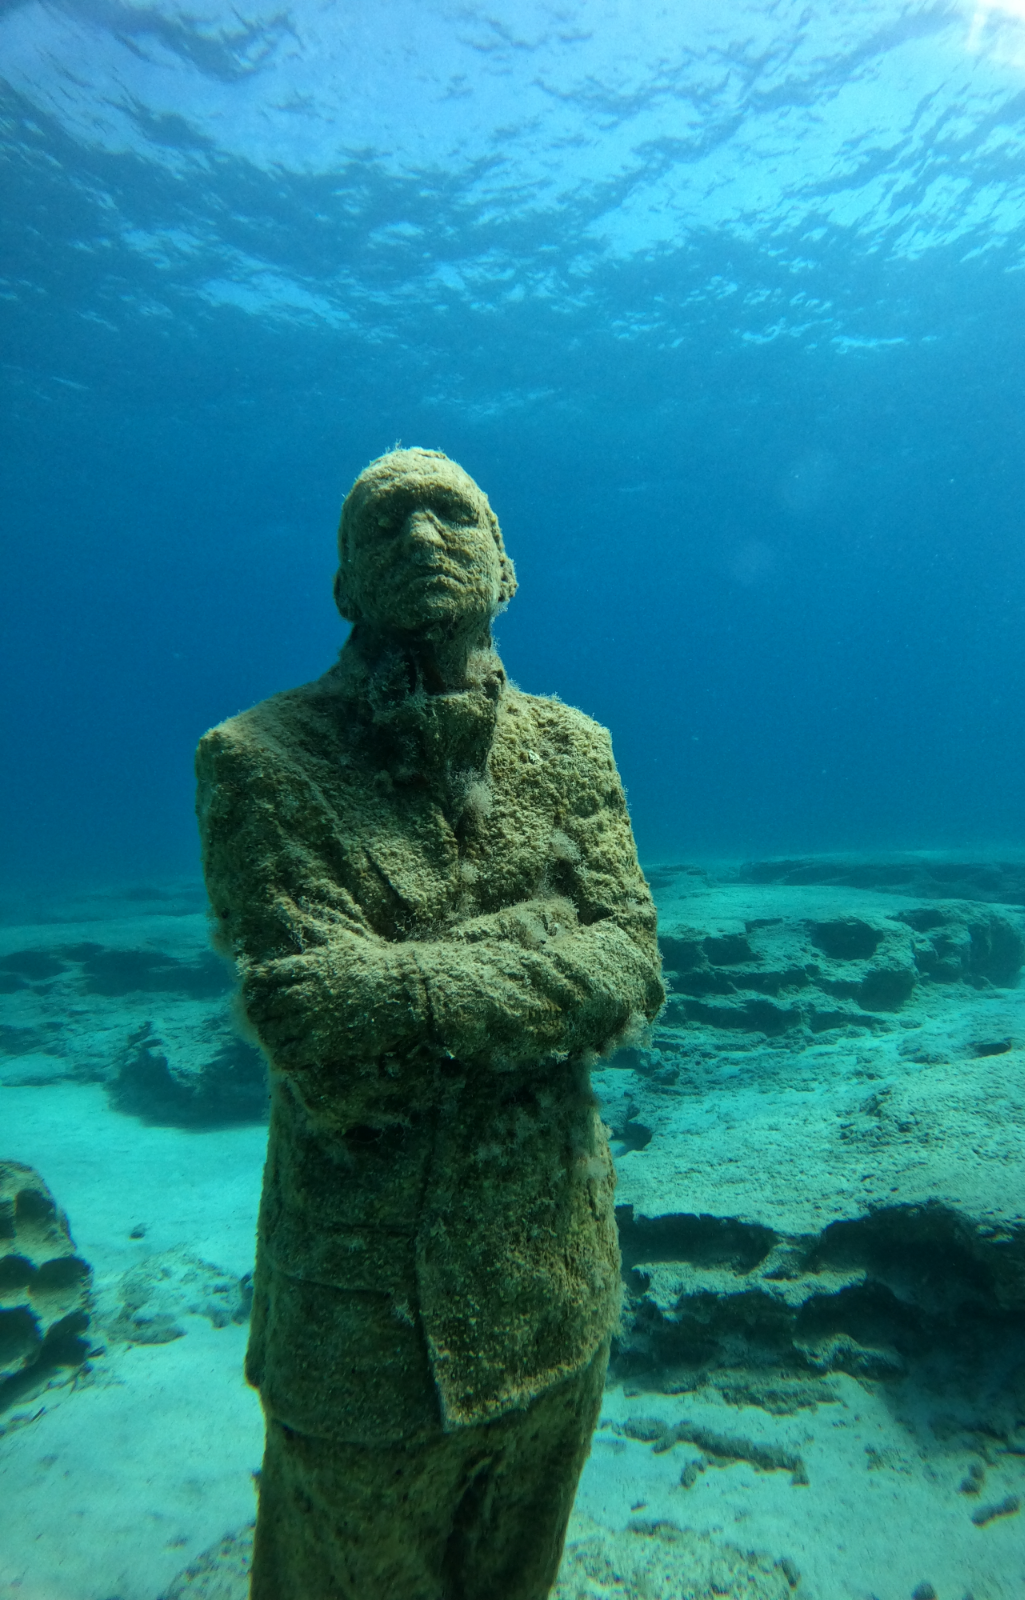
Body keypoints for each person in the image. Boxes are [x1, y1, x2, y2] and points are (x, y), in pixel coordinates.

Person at [195, 446, 664, 1600]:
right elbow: (319, 1027)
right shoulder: (257, 762)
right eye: (384, 521)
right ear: (344, 584)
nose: (419, 537)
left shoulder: (576, 752)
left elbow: (632, 966)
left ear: (506, 564)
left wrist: (411, 985)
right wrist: (533, 944)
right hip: (363, 1337)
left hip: (560, 1290)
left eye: (450, 513)